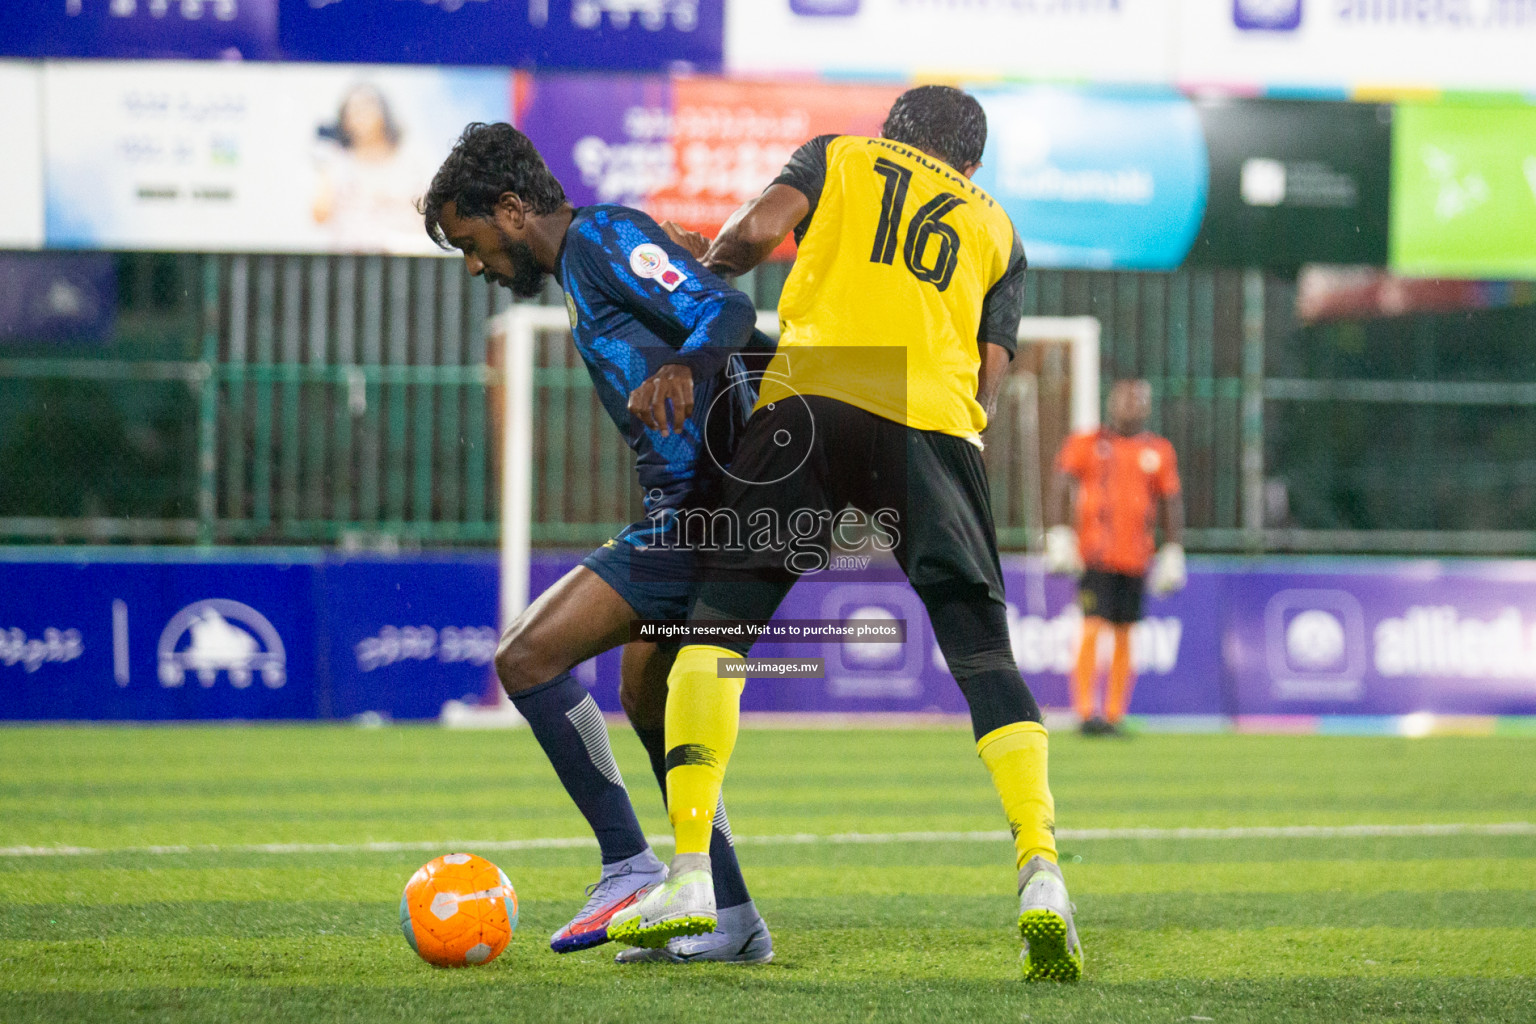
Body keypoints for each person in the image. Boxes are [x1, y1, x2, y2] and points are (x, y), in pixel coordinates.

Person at [608, 86, 1084, 983]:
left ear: (892, 133)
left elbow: (753, 235)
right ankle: (1041, 872)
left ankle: (689, 875)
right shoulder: (999, 231)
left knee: (715, 630)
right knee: (984, 653)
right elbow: (989, 379)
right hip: (933, 425)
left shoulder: (840, 155)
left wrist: (704, 273)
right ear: (970, 165)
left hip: (817, 397)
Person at [419, 122, 773, 964]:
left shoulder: (603, 235)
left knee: (527, 658)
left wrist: (690, 369)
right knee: (650, 697)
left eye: (471, 243)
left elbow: (726, 305)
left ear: (511, 210)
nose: (474, 266)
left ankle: (626, 865)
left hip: (700, 511)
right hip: (704, 506)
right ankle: (731, 916)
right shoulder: (587, 261)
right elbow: (735, 333)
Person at [1045, 379, 1186, 736]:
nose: (1132, 407)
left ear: (1148, 407)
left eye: (1139, 401)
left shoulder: (1158, 450)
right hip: (1095, 555)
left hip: (1136, 558)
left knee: (1126, 634)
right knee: (1092, 627)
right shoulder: (1088, 443)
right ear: (1112, 403)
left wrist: (1172, 549)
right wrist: (1059, 533)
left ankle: (1114, 713)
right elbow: (1061, 483)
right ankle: (1085, 711)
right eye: (1126, 400)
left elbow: (1170, 501)